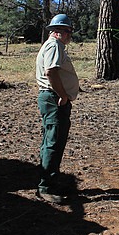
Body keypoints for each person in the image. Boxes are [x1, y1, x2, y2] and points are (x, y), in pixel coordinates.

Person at [35, 13, 80, 204]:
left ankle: (49, 181)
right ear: (58, 31)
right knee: (53, 142)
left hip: (52, 98)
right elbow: (51, 72)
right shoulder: (54, 46)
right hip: (54, 99)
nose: (70, 34)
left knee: (51, 140)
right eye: (68, 31)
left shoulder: (54, 45)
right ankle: (46, 187)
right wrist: (62, 95)